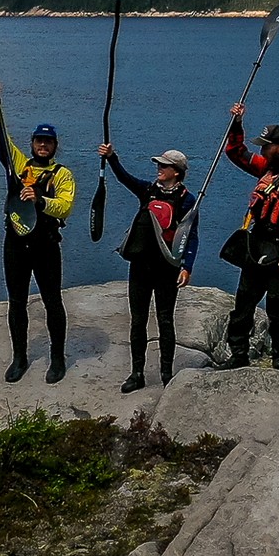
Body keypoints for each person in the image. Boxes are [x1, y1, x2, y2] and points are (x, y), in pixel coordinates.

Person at [0, 73, 76, 384]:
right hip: (15, 244)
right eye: (39, 141)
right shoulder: (20, 166)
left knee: (52, 301)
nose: (42, 145)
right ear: (33, 143)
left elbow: (65, 207)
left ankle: (57, 358)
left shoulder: (63, 174)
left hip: (46, 245)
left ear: (54, 146)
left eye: (48, 142)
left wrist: (39, 200)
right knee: (17, 302)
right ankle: (20, 357)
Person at [98, 140, 199, 391]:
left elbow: (191, 235)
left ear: (176, 171)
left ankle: (167, 373)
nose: (158, 168)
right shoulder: (148, 191)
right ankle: (137, 373)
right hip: (141, 266)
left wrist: (187, 266)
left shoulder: (188, 200)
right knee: (138, 321)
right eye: (159, 165)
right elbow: (125, 178)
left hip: (167, 267)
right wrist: (112, 157)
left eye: (163, 166)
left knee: (165, 321)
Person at [218, 103, 279, 368]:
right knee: (244, 300)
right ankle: (238, 354)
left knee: (277, 303)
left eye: (265, 146)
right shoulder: (266, 169)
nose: (261, 150)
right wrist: (237, 123)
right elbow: (236, 152)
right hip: (256, 240)